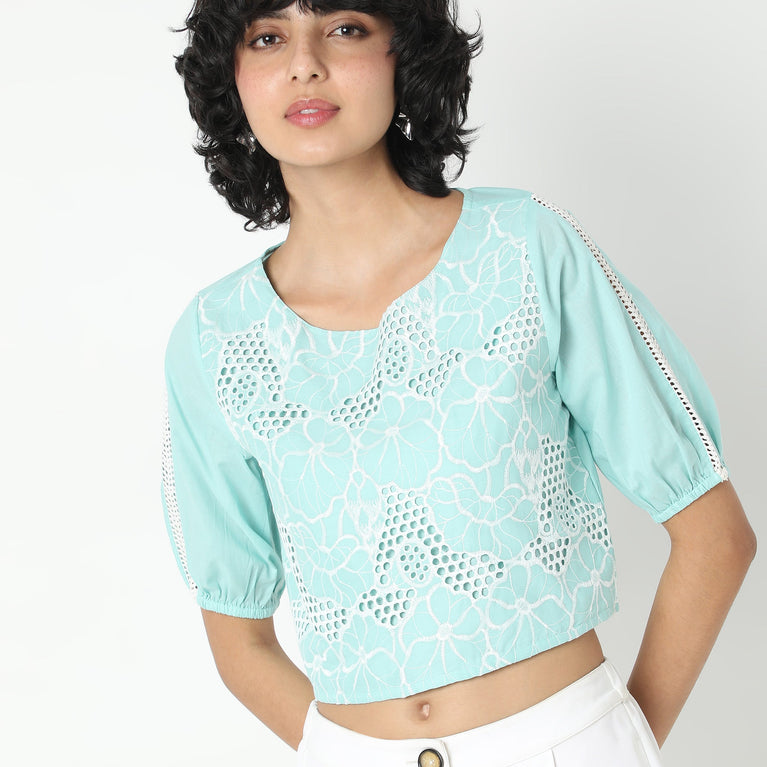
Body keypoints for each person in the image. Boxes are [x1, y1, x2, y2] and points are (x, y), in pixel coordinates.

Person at [161, 2, 756, 765]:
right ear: (232, 76)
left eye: (344, 27)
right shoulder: (214, 339)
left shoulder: (524, 250)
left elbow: (713, 533)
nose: (304, 63)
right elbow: (238, 637)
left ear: (403, 51)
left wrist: (616, 739)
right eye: (268, 37)